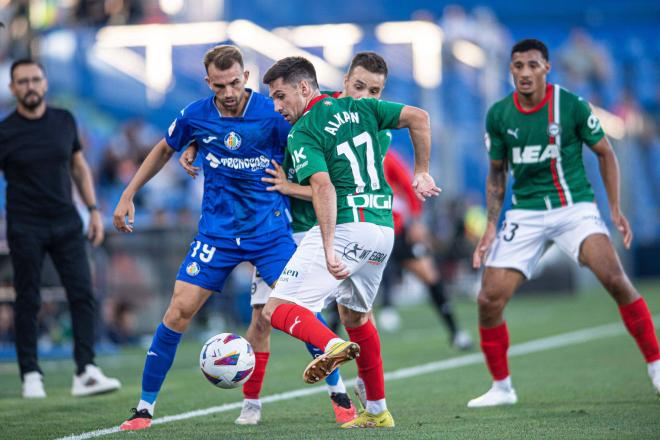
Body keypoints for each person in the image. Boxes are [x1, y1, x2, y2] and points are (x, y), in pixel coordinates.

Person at [177, 51, 391, 424]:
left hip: (307, 232)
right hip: (343, 229)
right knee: (342, 316)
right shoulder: (313, 116)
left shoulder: (338, 123)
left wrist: (289, 187)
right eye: (359, 87)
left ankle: (338, 382)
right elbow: (245, 139)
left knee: (278, 312)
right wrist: (198, 143)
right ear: (342, 84)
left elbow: (328, 190)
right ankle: (369, 406)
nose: (366, 97)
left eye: (375, 91)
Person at [469, 39, 660, 408]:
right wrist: (491, 225)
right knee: (488, 299)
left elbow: (605, 152)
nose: (524, 72)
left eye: (532, 65)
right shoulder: (498, 115)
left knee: (615, 279)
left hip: (573, 207)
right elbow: (497, 173)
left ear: (547, 68)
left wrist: (616, 209)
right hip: (524, 212)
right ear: (510, 69)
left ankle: (655, 364)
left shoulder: (570, 105)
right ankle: (502, 388)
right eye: (518, 66)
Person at [113, 45, 296, 430]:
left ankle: (340, 396)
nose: (228, 93)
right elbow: (165, 148)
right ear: (207, 82)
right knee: (177, 312)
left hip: (270, 232)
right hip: (218, 235)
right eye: (219, 85)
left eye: (234, 83)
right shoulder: (196, 114)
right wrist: (128, 193)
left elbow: (304, 143)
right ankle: (144, 408)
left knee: (296, 311)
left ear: (245, 77)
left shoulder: (272, 113)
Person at [260, 56, 440, 429]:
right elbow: (419, 117)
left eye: (280, 96)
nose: (277, 107)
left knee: (275, 308)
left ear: (304, 88)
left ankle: (330, 346)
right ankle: (377, 412)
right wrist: (422, 170)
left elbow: (323, 187)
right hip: (383, 230)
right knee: (356, 317)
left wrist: (327, 247)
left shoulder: (304, 130)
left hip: (348, 227)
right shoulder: (361, 107)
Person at [0, 59, 121, 398]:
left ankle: (85, 370)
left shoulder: (64, 120)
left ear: (45, 83)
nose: (30, 86)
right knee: (28, 298)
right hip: (25, 225)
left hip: (67, 221)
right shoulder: (5, 131)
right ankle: (30, 375)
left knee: (83, 293)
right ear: (13, 88)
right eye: (22, 81)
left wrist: (94, 210)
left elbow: (79, 167)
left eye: (35, 79)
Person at [378, 148, 473, 350]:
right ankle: (327, 348)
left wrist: (416, 222)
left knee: (430, 276)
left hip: (396, 229)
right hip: (364, 229)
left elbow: (407, 184)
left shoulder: (385, 153)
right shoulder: (341, 150)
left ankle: (456, 332)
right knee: (344, 286)